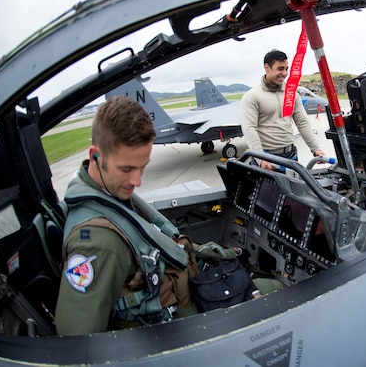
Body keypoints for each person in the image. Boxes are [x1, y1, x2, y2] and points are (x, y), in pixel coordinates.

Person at [55, 95, 232, 335]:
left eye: (143, 167)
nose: (137, 181)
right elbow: (77, 342)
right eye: (127, 169)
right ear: (96, 157)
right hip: (175, 328)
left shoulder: (105, 192)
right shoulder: (97, 244)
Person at [240, 49, 325, 170]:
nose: (284, 73)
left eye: (286, 69)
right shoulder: (253, 96)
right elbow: (249, 129)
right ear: (267, 68)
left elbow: (302, 122)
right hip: (268, 159)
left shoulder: (291, 94)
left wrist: (316, 148)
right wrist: (260, 159)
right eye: (280, 68)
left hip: (290, 156)